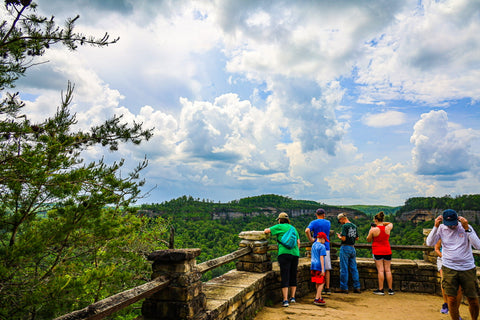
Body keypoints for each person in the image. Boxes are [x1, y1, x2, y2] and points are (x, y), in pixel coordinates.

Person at [426, 209, 480, 320]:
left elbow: (478, 246)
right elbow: (429, 243)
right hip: (449, 267)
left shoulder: (466, 227)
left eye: (453, 223)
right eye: (448, 224)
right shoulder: (441, 228)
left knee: (473, 299)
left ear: (458, 219)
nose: (451, 226)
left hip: (467, 268)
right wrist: (435, 227)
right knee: (451, 299)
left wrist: (467, 229)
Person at [264, 212, 300, 307]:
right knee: (293, 275)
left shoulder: (279, 227)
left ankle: (285, 300)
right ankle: (292, 297)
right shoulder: (293, 228)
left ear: (279, 220)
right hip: (295, 254)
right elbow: (298, 242)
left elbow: (266, 231)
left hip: (284, 253)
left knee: (285, 275)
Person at [366, 211, 394, 295]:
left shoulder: (373, 230)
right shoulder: (388, 228)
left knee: (381, 270)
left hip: (377, 251)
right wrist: (382, 223)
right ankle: (390, 289)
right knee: (388, 270)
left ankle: (381, 289)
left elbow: (368, 239)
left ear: (375, 220)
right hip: (387, 250)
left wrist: (371, 229)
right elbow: (390, 223)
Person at [305, 208, 332, 294]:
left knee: (317, 267)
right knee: (326, 269)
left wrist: (311, 239)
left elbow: (307, 230)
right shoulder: (328, 222)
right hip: (326, 247)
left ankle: (318, 290)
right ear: (324, 214)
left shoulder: (313, 222)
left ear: (316, 215)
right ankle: (327, 288)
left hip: (316, 246)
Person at [435, 239, 462, 315]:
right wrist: (444, 257)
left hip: (457, 261)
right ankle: (446, 304)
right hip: (443, 259)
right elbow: (436, 248)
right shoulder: (442, 232)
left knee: (459, 286)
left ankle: (455, 310)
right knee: (444, 281)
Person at [336, 213, 361, 294]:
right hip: (352, 248)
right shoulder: (354, 226)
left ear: (342, 219)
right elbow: (357, 238)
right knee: (354, 268)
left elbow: (343, 238)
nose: (340, 223)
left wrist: (339, 236)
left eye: (340, 221)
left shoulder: (345, 226)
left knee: (344, 268)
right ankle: (357, 287)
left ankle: (344, 288)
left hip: (345, 247)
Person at [311, 231, 328, 306]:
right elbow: (321, 258)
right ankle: (317, 298)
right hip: (319, 266)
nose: (325, 242)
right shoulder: (322, 246)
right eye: (324, 240)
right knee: (322, 282)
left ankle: (320, 297)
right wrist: (323, 269)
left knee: (317, 282)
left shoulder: (313, 245)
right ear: (322, 238)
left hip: (313, 265)